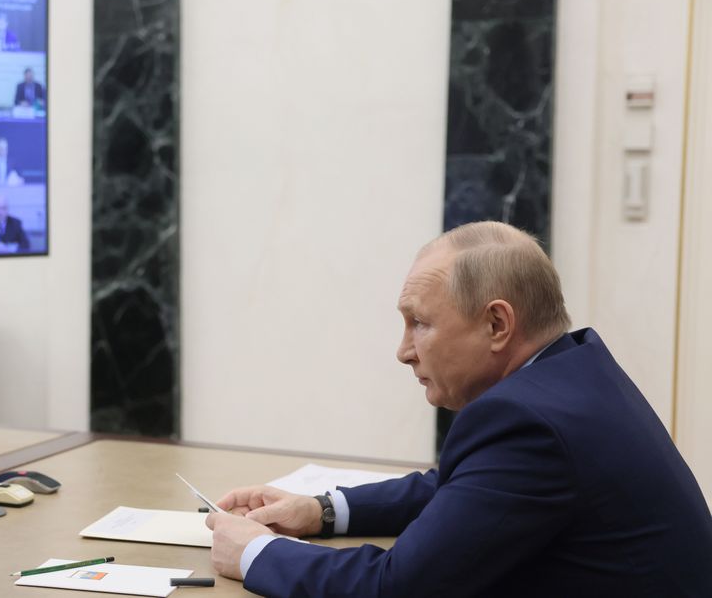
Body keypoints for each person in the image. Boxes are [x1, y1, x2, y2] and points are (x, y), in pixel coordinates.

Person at [204, 221, 712, 597]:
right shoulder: (573, 372)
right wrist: (320, 510)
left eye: (420, 323)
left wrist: (254, 552)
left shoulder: (529, 423)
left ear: (497, 325)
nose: (404, 351)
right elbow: (463, 488)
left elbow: (397, 589)